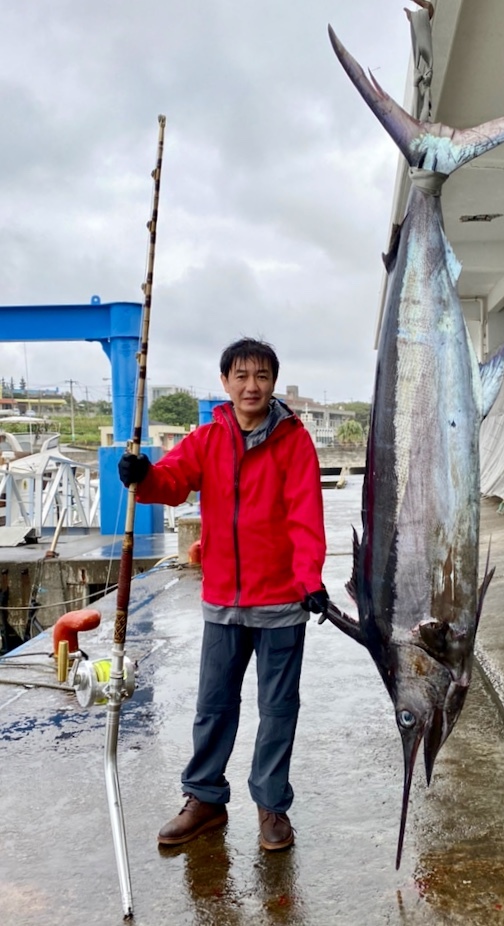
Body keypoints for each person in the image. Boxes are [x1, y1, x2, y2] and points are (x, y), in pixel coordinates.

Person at [118, 337, 328, 851]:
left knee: (278, 709)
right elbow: (172, 482)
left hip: (281, 602)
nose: (251, 385)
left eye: (261, 376)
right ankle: (205, 798)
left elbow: (305, 515)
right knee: (213, 705)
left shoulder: (295, 441)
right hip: (223, 602)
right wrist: (144, 476)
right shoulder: (207, 438)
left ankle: (271, 805)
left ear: (273, 382)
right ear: (225, 382)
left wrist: (310, 580)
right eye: (241, 376)